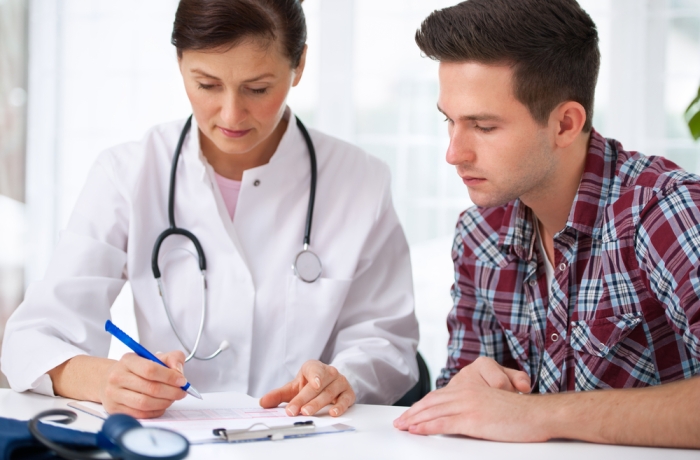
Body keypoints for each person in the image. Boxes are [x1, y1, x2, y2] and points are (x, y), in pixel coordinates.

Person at [2, 0, 419, 419]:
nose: (231, 114)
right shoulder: (127, 173)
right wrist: (106, 379)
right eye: (206, 85)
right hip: (172, 439)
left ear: (300, 64)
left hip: (302, 439)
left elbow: (388, 342)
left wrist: (340, 379)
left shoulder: (361, 180)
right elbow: (33, 337)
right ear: (180, 62)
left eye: (258, 88)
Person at [394, 0, 700, 448]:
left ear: (565, 124)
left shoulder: (664, 212)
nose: (454, 153)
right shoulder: (479, 236)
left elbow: (524, 418)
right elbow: (458, 415)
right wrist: (468, 391)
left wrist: (538, 415)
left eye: (483, 126)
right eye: (450, 121)